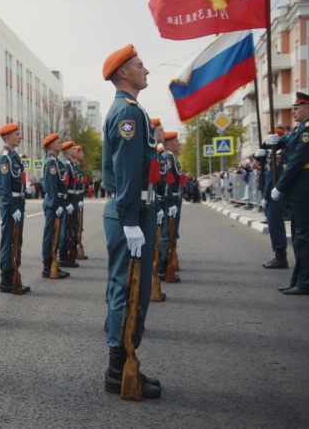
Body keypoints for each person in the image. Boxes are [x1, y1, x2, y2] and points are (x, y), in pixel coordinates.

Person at [101, 44, 161, 398]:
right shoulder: (127, 113)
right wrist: (130, 219)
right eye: (140, 65)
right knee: (128, 290)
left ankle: (122, 363)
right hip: (131, 211)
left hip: (134, 209)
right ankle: (117, 369)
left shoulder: (131, 110)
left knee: (127, 288)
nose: (146, 70)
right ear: (123, 72)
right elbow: (125, 169)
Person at [265, 92, 309, 295]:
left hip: (302, 188)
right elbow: (285, 144)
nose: (293, 111)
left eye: (297, 108)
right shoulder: (299, 129)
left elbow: (298, 160)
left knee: (305, 238)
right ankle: (299, 280)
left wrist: (280, 186)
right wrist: (269, 143)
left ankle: (307, 282)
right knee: (299, 239)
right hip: (296, 190)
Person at [0, 123, 31, 293]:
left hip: (18, 203)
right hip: (11, 204)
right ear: (7, 137)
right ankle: (6, 279)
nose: (20, 136)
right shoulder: (5, 158)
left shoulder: (14, 156)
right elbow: (3, 188)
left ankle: (14, 273)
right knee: (9, 241)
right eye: (17, 134)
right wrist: (12, 208)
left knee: (17, 241)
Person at [255, 126, 288, 269]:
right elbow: (265, 172)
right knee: (274, 225)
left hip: (274, 195)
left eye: (270, 137)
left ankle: (281, 256)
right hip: (271, 194)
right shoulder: (271, 154)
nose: (267, 140)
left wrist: (266, 196)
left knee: (276, 225)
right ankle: (279, 254)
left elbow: (271, 177)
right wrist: (259, 154)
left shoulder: (279, 155)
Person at [40, 134, 70, 280]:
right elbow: (50, 186)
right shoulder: (51, 163)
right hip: (53, 203)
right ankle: (47, 266)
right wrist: (54, 204)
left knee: (55, 234)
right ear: (51, 145)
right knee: (50, 234)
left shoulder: (57, 163)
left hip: (58, 203)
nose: (61, 144)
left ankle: (54, 263)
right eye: (58, 142)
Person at [158, 131, 182, 282]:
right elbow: (167, 182)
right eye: (176, 142)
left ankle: (166, 263)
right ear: (168, 144)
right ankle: (162, 266)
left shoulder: (171, 157)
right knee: (166, 234)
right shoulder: (167, 157)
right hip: (168, 201)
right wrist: (171, 203)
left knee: (171, 233)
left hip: (173, 200)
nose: (178, 144)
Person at [58, 141, 78, 267]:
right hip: (68, 200)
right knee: (65, 228)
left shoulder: (73, 165)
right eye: (74, 149)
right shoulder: (66, 165)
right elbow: (65, 185)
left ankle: (69, 252)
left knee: (72, 227)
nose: (76, 151)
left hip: (73, 199)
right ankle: (62, 255)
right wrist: (67, 202)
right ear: (69, 151)